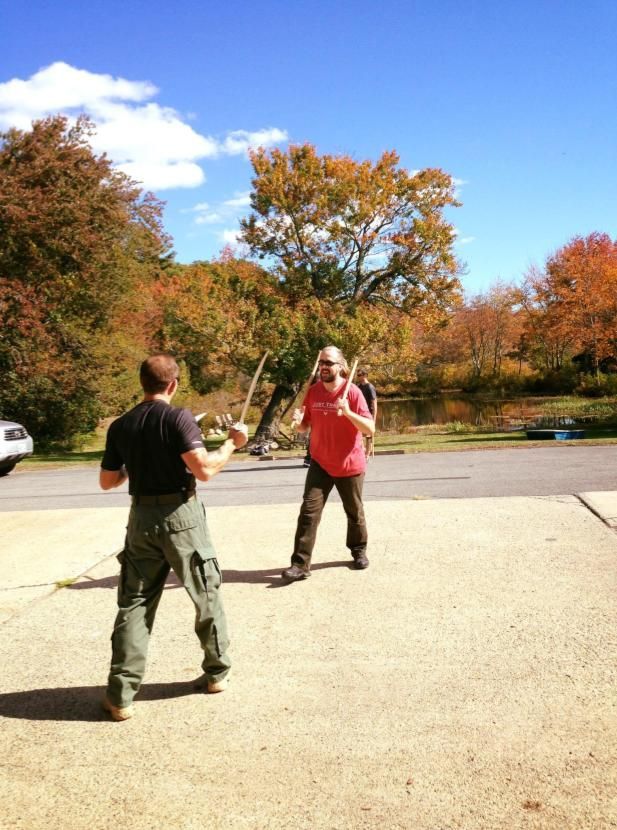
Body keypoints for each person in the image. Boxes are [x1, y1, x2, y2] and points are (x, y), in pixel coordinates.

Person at [99, 354, 248, 721]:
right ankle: (217, 674)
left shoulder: (121, 426)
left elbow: (107, 481)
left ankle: (120, 696)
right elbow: (205, 469)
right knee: (205, 593)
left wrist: (133, 464)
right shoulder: (178, 417)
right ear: (173, 384)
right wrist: (233, 443)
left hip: (141, 519)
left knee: (134, 603)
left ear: (143, 383)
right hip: (182, 517)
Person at [282, 346, 375, 582]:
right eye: (321, 362)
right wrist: (299, 422)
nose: (323, 366)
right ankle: (300, 565)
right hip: (320, 462)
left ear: (340, 366)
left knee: (354, 512)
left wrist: (348, 412)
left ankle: (358, 550)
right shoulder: (313, 392)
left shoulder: (352, 392)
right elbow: (304, 427)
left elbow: (369, 429)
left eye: (329, 362)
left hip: (349, 464)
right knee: (308, 513)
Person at [356, 368, 377, 456]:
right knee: (359, 433)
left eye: (359, 375)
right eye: (357, 375)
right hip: (360, 413)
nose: (358, 377)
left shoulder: (370, 387)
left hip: (368, 413)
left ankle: (367, 454)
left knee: (368, 434)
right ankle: (362, 452)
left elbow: (374, 403)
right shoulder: (358, 387)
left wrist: (374, 418)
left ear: (365, 375)